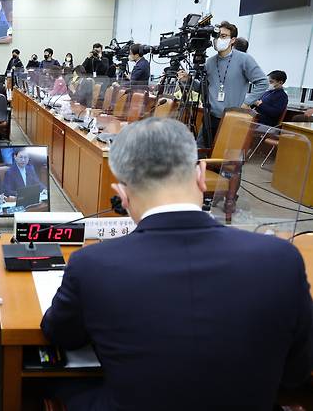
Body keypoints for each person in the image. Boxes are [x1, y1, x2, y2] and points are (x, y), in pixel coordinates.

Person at [41, 117, 312, 411]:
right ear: (201, 173)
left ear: (122, 194)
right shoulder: (282, 260)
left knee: (49, 382)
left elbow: (60, 334)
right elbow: (295, 373)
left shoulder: (91, 265)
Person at [178, 21, 268, 147]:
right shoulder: (209, 62)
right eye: (217, 36)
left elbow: (263, 82)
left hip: (233, 118)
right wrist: (188, 80)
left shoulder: (244, 59)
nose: (219, 39)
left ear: (232, 40)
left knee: (227, 159)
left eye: (224, 36)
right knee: (201, 151)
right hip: (210, 117)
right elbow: (203, 89)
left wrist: (247, 102)